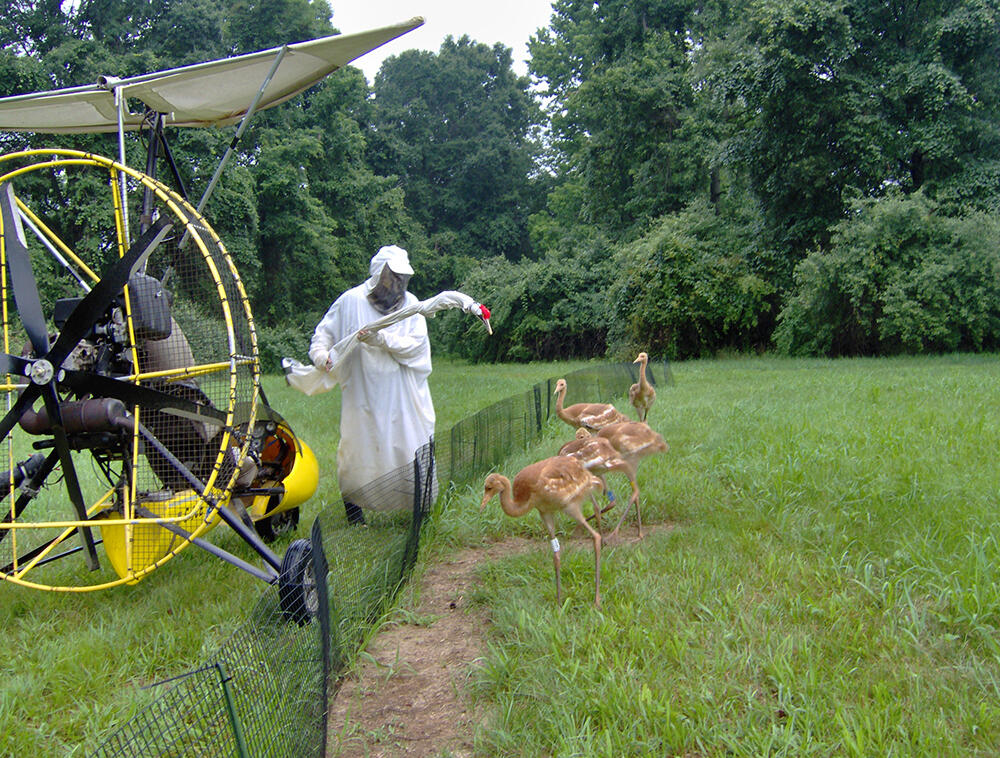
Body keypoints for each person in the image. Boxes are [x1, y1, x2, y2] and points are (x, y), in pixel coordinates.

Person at [308, 245, 434, 523]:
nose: (397, 285)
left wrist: (381, 339)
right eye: (392, 278)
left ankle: (418, 511)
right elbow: (323, 335)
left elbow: (416, 346)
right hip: (362, 392)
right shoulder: (350, 301)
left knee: (410, 444)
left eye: (401, 278)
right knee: (359, 449)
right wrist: (321, 357)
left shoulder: (411, 304)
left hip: (403, 393)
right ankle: (355, 511)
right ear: (379, 275)